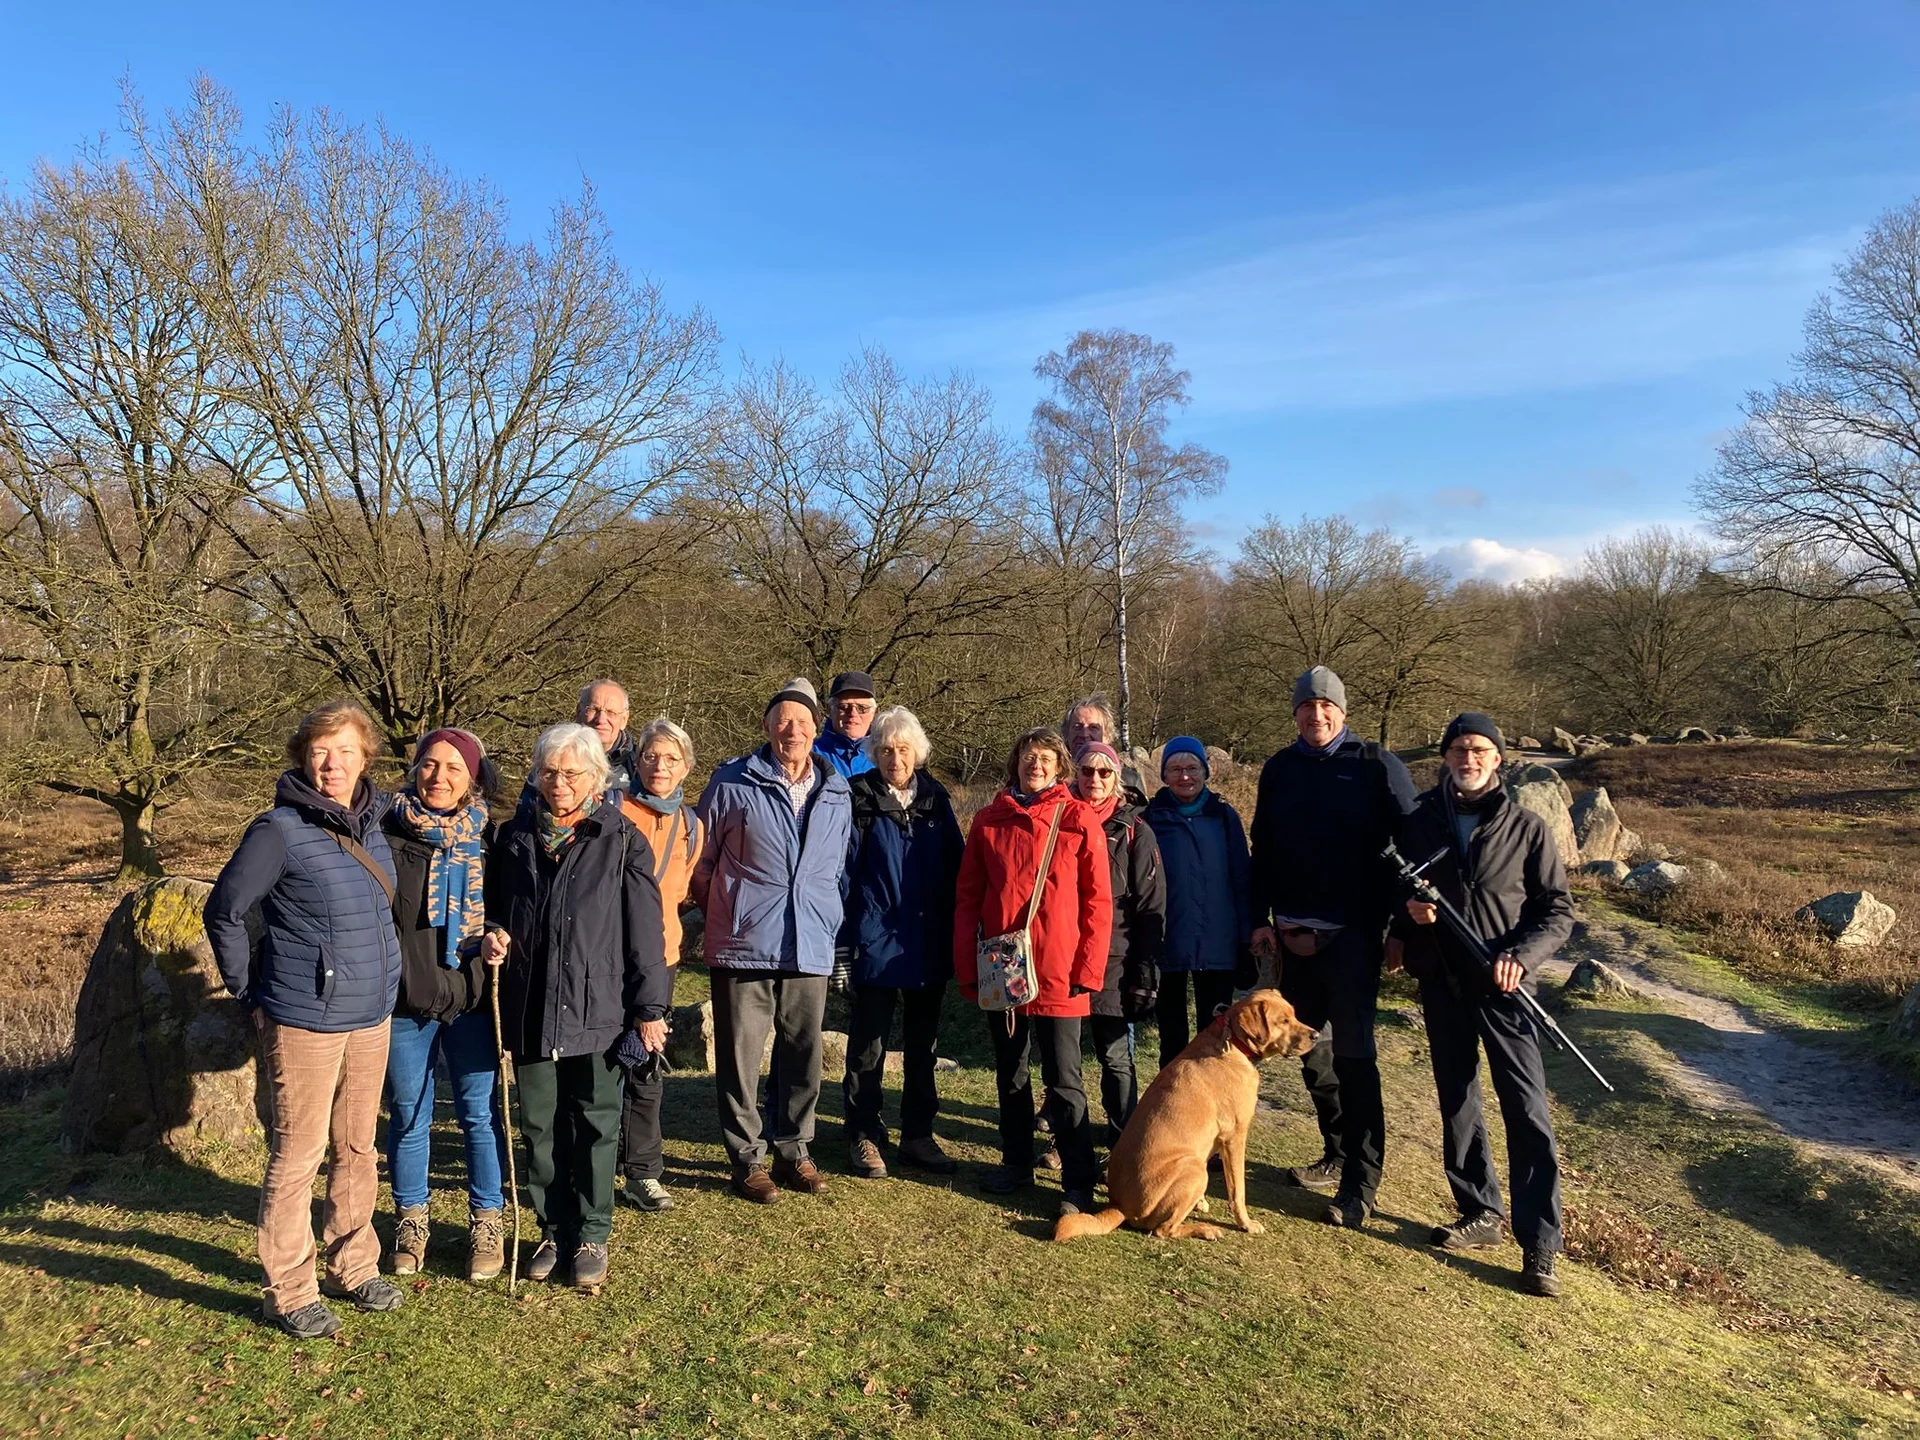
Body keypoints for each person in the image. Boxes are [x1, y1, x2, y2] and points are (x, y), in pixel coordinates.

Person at [203, 700, 406, 1339]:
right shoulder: (278, 830)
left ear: (365, 756)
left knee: (358, 1146)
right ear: (302, 758)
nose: (333, 763)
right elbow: (225, 912)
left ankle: (354, 1262)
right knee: (298, 1155)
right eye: (321, 751)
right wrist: (247, 990)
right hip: (305, 1020)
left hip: (372, 1014)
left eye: (345, 750)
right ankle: (289, 1288)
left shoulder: (374, 824)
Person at [1392, 712, 1574, 1297]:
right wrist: (1410, 918)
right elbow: (1398, 892)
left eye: (1479, 750)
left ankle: (1540, 1243)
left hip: (1507, 989)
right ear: (1445, 757)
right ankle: (1480, 1212)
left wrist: (1522, 955)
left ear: (1497, 759)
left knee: (1526, 1111)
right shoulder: (1420, 822)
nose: (1467, 759)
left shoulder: (1527, 828)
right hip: (1442, 982)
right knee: (1457, 1101)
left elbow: (1557, 912)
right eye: (1458, 750)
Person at [486, 723, 669, 1291]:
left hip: (600, 1006)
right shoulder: (511, 837)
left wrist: (650, 1007)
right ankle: (550, 1227)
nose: (559, 783)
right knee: (538, 1126)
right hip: (532, 1005)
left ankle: (591, 1232)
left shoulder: (621, 839)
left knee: (594, 1122)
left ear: (597, 777)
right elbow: (492, 907)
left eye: (571, 773)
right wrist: (491, 932)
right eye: (549, 772)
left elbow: (645, 932)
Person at [1247, 665, 1418, 1231]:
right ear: (1294, 713)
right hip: (1293, 938)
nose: (1316, 715)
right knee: (1307, 1052)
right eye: (1306, 707)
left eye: (1327, 707)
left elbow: (1412, 848)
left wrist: (1401, 928)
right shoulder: (1280, 769)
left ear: (1343, 712)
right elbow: (1263, 848)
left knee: (1354, 1057)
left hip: (1352, 939)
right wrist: (1258, 918)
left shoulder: (1375, 766)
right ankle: (1337, 1151)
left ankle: (1360, 1185)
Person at [693, 677, 854, 1204]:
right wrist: (731, 908)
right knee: (741, 1055)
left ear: (817, 729)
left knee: (803, 1052)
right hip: (746, 940)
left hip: (810, 937)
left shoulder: (836, 787)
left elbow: (840, 866)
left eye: (803, 722)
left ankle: (794, 1150)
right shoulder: (732, 781)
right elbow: (702, 861)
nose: (793, 729)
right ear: (766, 726)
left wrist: (830, 916)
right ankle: (746, 1160)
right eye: (783, 720)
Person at [953, 727, 1112, 1216]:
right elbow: (968, 899)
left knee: (1065, 1078)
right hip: (1004, 968)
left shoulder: (1079, 819)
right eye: (1027, 757)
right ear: (1015, 763)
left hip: (1061, 969)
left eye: (1044, 758)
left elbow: (1097, 902)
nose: (1035, 765)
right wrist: (966, 967)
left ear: (1060, 766)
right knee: (1011, 1072)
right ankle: (1016, 1160)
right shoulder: (989, 820)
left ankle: (1077, 1181)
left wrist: (1089, 967)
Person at [381, 727, 509, 1282]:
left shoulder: (492, 841)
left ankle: (487, 1220)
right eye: (430, 765)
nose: (440, 777)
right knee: (410, 1116)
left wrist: (499, 933)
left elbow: (508, 907)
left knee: (478, 1116)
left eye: (454, 768)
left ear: (473, 778)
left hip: (474, 998)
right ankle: (411, 1220)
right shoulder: (386, 835)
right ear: (415, 770)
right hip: (408, 1001)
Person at [839, 706, 965, 1179]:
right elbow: (843, 873)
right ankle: (864, 1134)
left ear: (918, 752)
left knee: (922, 1045)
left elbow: (959, 868)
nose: (895, 758)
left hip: (927, 941)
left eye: (904, 749)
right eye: (886, 749)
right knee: (868, 1044)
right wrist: (844, 943)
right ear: (875, 753)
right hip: (875, 939)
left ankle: (917, 1134)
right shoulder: (859, 798)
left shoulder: (936, 799)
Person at [615, 716, 704, 1214]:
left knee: (646, 1062)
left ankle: (643, 1171)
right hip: (604, 955)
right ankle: (596, 1158)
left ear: (687, 767)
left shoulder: (692, 825)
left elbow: (681, 890)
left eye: (671, 758)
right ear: (636, 760)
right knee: (603, 1063)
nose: (660, 766)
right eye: (651, 756)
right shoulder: (610, 808)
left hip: (660, 959)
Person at [1070, 740, 1165, 1137]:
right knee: (1066, 1059)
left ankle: (1123, 1140)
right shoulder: (1060, 819)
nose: (1095, 779)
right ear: (1075, 775)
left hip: (1115, 959)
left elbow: (1151, 907)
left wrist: (1145, 972)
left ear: (1116, 780)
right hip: (1064, 956)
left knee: (1115, 1056)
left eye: (1104, 772)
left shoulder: (1136, 832)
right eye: (1087, 771)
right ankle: (1067, 1138)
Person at [1143, 737, 1251, 1070]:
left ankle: (1215, 1108)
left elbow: (1242, 878)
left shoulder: (1223, 816)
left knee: (1216, 1034)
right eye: (1175, 769)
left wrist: (1246, 936)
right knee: (1172, 1036)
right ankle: (1171, 1107)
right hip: (1169, 940)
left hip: (1218, 940)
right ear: (1163, 776)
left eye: (1192, 768)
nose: (1184, 776)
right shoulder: (1151, 818)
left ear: (1207, 771)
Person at [814, 671, 878, 780]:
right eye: (844, 706)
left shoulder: (884, 756)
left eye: (862, 708)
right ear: (831, 710)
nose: (853, 714)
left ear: (873, 714)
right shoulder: (810, 754)